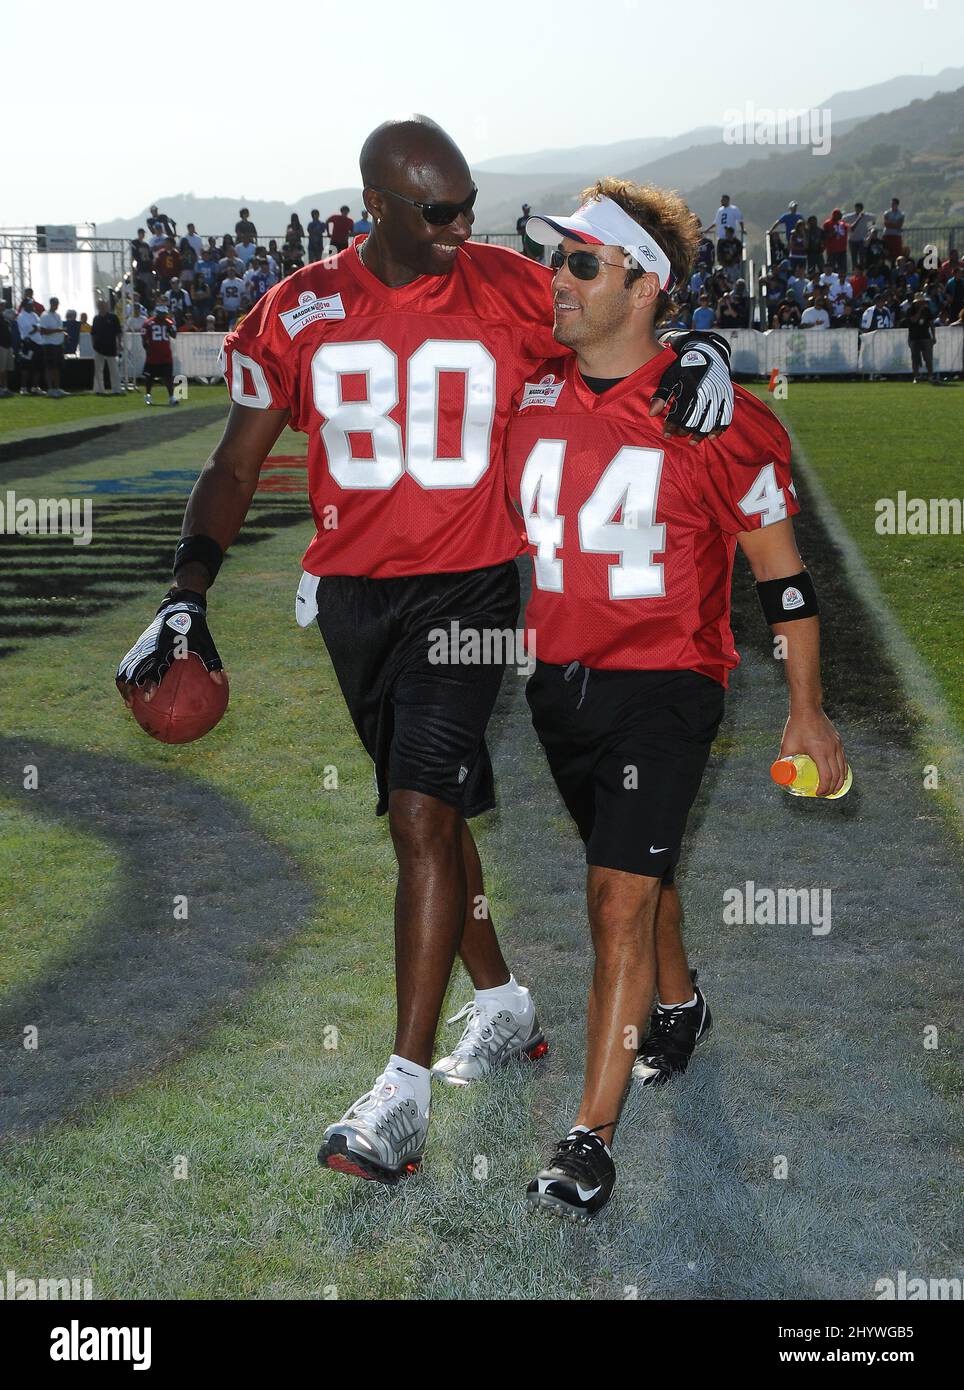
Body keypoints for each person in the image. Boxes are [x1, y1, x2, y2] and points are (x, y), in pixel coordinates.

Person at [114, 116, 735, 1189]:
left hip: (472, 585)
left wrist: (702, 347)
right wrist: (184, 595)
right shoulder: (299, 309)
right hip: (354, 596)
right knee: (426, 815)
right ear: (380, 212)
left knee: (420, 812)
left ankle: (397, 1092)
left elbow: (618, 315)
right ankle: (500, 1001)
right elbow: (232, 461)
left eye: (468, 206)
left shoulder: (500, 284)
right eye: (439, 213)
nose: (463, 228)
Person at [504, 183, 845, 1220]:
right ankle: (682, 1003)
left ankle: (588, 1138)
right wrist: (702, 335)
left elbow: (782, 581)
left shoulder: (719, 420)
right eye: (555, 262)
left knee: (613, 901)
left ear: (641, 284)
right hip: (558, 682)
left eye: (578, 264)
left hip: (667, 683)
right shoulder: (531, 384)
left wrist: (808, 709)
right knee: (632, 870)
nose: (553, 280)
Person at [140, 299, 178, 405]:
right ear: (158, 313)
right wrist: (147, 350)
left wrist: (172, 326)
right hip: (153, 354)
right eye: (162, 314)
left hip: (165, 354)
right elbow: (144, 338)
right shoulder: (148, 323)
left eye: (165, 314)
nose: (164, 316)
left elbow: (174, 335)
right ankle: (148, 395)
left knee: (168, 377)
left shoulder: (168, 322)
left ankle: (171, 397)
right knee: (149, 377)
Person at [91, 302, 124, 394]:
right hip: (98, 347)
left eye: (103, 306)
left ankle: (116, 389)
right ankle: (99, 389)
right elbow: (93, 333)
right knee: (98, 370)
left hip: (111, 346)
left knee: (114, 369)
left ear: (107, 306)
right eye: (99, 306)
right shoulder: (96, 318)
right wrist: (93, 344)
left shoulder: (113, 317)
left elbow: (118, 332)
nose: (101, 307)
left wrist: (119, 343)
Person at [38, 296, 67, 396]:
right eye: (55, 304)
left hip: (58, 344)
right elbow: (43, 331)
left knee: (57, 367)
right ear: (51, 304)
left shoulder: (58, 315)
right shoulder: (45, 315)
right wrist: (57, 331)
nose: (56, 306)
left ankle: (57, 388)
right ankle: (50, 389)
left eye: (57, 304)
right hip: (49, 345)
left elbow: (61, 328)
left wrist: (63, 334)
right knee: (50, 367)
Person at [907, 295, 938, 383]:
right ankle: (916, 377)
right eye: (920, 302)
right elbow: (913, 320)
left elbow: (931, 323)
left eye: (923, 302)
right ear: (916, 302)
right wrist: (920, 311)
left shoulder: (927, 310)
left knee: (928, 358)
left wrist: (934, 336)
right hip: (914, 337)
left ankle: (930, 376)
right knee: (915, 358)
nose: (922, 304)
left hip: (926, 337)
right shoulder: (910, 310)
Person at [16, 300, 45, 394]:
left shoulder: (34, 315)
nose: (33, 306)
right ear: (25, 306)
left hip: (38, 343)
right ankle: (23, 388)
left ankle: (35, 387)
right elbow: (30, 329)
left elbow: (40, 327)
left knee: (38, 366)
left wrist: (36, 328)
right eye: (30, 304)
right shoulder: (21, 316)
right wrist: (36, 328)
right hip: (28, 343)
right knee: (26, 366)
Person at [842, 203, 873, 271]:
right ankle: (854, 272)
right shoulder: (851, 216)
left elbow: (874, 217)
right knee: (854, 258)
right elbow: (843, 219)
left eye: (859, 209)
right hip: (852, 240)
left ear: (861, 209)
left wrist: (871, 227)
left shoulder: (865, 216)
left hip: (862, 240)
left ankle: (861, 271)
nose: (857, 210)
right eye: (856, 208)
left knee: (862, 257)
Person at [882, 198, 905, 264]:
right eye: (891, 203)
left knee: (897, 253)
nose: (892, 205)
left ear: (897, 204)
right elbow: (886, 224)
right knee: (886, 252)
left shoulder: (901, 214)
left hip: (896, 235)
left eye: (893, 203)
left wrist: (891, 224)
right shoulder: (887, 213)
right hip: (887, 235)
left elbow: (900, 225)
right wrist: (895, 224)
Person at [0, 309, 15, 397]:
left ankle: (5, 388)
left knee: (5, 369)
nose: (2, 307)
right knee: (1, 369)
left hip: (7, 346)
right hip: (1, 346)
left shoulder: (4, 319)